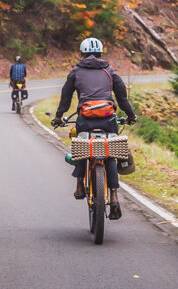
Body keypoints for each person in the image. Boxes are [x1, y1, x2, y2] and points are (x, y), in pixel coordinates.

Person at [51, 36, 136, 219]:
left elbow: (65, 98)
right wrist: (131, 115)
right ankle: (113, 196)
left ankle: (80, 184)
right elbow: (122, 98)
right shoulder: (110, 71)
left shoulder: (76, 71)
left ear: (82, 53)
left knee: (83, 148)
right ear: (100, 53)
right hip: (108, 119)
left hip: (86, 118)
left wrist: (58, 117)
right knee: (110, 154)